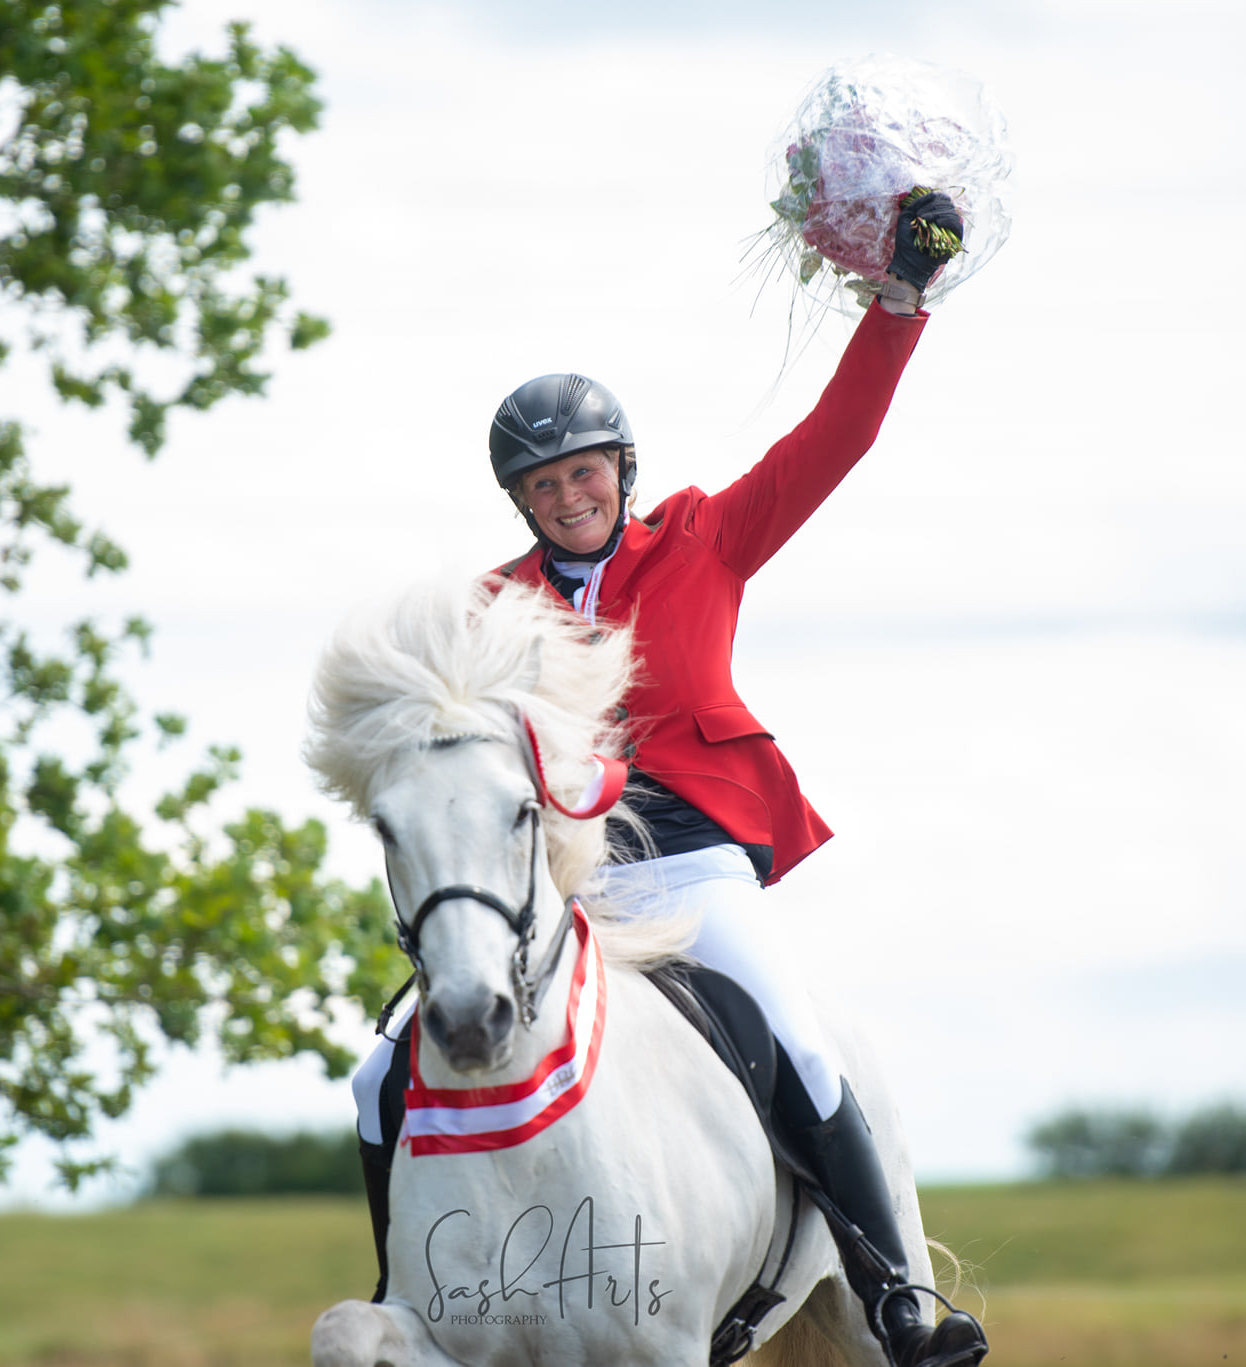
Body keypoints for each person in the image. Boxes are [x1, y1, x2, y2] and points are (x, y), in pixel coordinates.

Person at [350, 191, 987, 1367]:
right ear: (520, 502)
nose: (566, 497)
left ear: (621, 470)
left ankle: (895, 1292)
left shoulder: (702, 539)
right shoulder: (491, 609)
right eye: (542, 486)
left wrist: (896, 302)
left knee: (798, 1038)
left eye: (582, 472)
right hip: (562, 892)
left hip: (692, 875)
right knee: (379, 1064)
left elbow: (833, 439)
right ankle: (410, 1278)